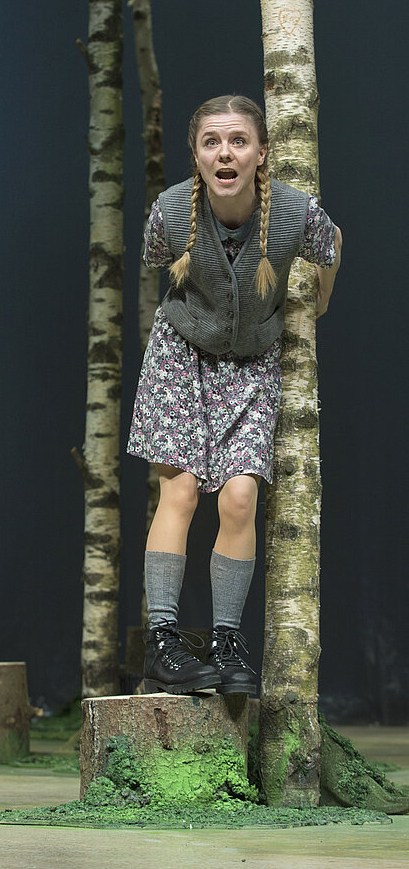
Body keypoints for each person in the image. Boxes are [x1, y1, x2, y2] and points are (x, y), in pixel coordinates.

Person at [128, 94, 342, 697]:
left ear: (261, 153)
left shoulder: (293, 212)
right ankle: (163, 643)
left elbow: (331, 244)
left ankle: (226, 642)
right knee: (180, 491)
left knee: (241, 497)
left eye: (239, 141)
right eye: (212, 142)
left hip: (251, 361)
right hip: (180, 354)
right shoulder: (171, 212)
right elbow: (155, 257)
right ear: (196, 155)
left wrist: (320, 299)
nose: (226, 153)